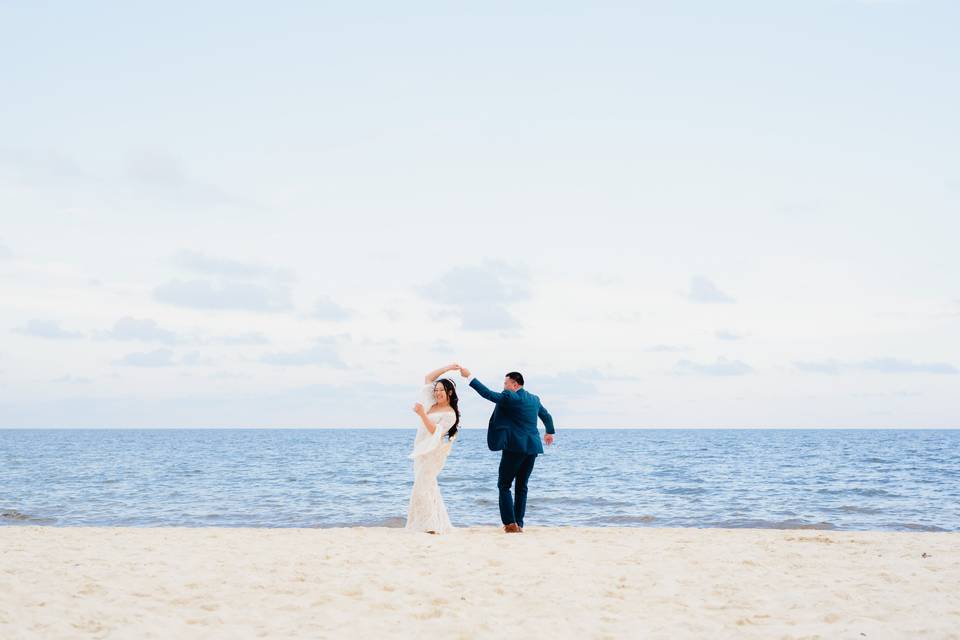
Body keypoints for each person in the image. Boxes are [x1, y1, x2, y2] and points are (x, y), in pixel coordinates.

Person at [459, 367, 555, 533]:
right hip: (532, 448)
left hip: (514, 447)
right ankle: (519, 523)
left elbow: (488, 394)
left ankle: (510, 524)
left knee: (504, 485)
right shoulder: (534, 399)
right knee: (522, 486)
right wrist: (549, 432)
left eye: (505, 383)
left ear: (514, 384)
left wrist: (469, 377)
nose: (504, 386)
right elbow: (546, 415)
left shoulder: (510, 395)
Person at [404, 363, 461, 535]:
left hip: (432, 451)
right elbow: (428, 378)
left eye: (441, 390)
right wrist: (448, 368)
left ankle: (430, 526)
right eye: (436, 390)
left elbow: (435, 431)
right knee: (428, 486)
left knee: (423, 486)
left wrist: (422, 414)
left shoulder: (450, 414)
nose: (437, 393)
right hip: (420, 447)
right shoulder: (432, 404)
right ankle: (432, 522)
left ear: (449, 392)